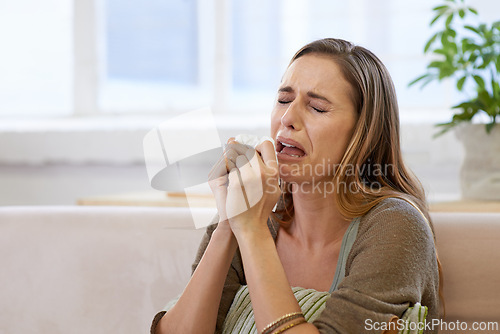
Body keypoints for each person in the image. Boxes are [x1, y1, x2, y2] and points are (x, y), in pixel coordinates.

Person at [151, 38, 442, 334]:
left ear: (363, 133)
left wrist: (251, 231)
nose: (287, 119)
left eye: (317, 107)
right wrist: (229, 224)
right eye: (283, 99)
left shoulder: (396, 226)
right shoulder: (249, 212)